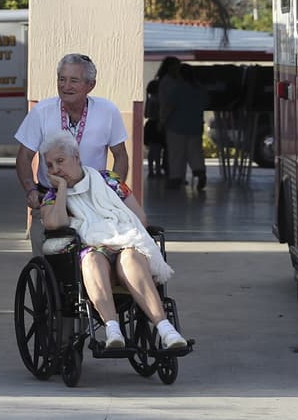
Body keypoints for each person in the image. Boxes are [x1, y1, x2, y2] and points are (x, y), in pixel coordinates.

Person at [39, 131, 188, 351]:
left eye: (60, 161)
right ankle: (112, 330)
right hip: (90, 252)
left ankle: (166, 330)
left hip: (124, 244)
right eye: (50, 166)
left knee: (130, 257)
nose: (56, 170)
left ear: (77, 157)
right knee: (92, 259)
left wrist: (114, 236)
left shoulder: (109, 181)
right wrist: (62, 189)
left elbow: (139, 218)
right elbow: (55, 223)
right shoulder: (52, 195)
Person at [15, 53, 129, 252]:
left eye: (73, 80)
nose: (66, 86)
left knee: (94, 259)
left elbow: (120, 155)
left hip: (91, 198)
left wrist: (111, 190)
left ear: (90, 85)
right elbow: (24, 157)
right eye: (61, 79)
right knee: (45, 259)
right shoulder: (42, 111)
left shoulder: (107, 111)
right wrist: (30, 190)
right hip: (50, 197)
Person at [160, 63, 209, 190]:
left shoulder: (177, 89)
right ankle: (200, 172)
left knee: (177, 154)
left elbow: (169, 107)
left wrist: (162, 122)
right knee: (195, 152)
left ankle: (176, 178)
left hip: (176, 127)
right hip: (195, 127)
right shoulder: (200, 90)